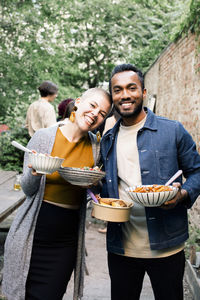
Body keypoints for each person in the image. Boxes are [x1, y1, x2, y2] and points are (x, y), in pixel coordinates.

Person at [100, 63, 200, 300]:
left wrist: (182, 194)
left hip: (167, 246)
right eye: (117, 90)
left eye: (131, 88)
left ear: (144, 93)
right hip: (121, 247)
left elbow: (196, 172)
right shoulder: (108, 139)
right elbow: (105, 183)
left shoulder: (172, 130)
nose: (125, 95)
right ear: (113, 96)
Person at [2, 87, 111, 300]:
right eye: (92, 105)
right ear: (78, 102)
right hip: (32, 234)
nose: (95, 114)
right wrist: (34, 172)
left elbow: (93, 190)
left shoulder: (96, 147)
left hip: (65, 241)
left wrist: (94, 184)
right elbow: (28, 189)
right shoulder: (44, 138)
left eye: (102, 113)